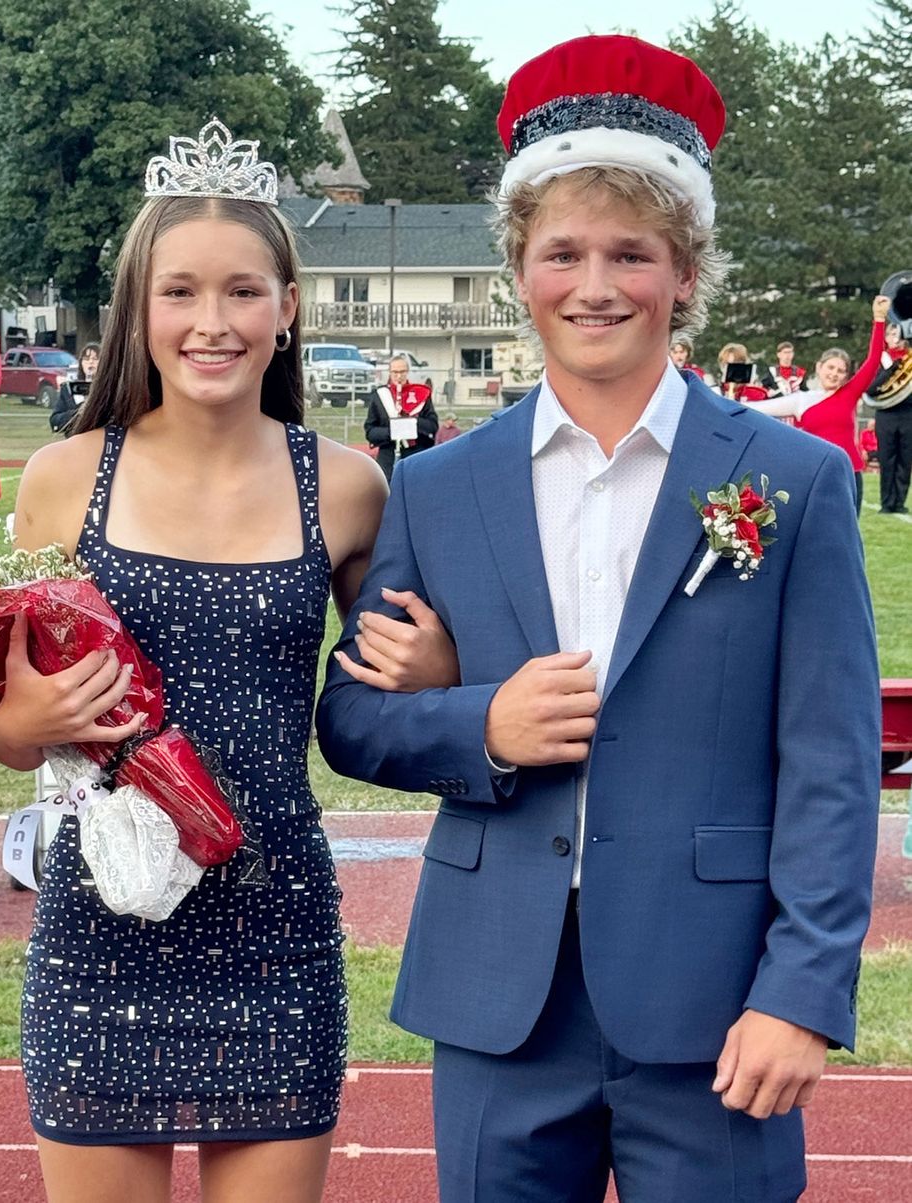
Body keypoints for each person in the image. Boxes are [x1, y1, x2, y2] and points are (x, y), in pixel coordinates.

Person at [317, 35, 879, 1203]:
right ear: (520, 270)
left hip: (717, 999)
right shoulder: (436, 485)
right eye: (562, 252)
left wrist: (802, 992)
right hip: (497, 998)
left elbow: (830, 760)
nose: (595, 284)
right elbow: (355, 719)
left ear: (685, 273)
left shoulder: (792, 479)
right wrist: (480, 722)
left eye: (633, 252)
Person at [0, 119, 443, 1203]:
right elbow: (2, 732)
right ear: (138, 313)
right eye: (179, 292)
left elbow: (397, 687)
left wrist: (433, 668)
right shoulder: (61, 478)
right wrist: (29, 722)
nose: (211, 322)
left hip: (274, 927)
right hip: (103, 926)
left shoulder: (350, 484)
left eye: (243, 292)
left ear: (287, 310)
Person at [738, 298, 888, 515]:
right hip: (814, 473)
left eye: (840, 370)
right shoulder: (801, 400)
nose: (834, 373)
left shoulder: (849, 394)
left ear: (846, 376)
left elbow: (873, 360)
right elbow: (759, 408)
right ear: (819, 367)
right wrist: (729, 400)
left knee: (847, 535)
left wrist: (879, 319)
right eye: (830, 367)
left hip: (849, 474)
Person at [363, 355, 438, 483]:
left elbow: (433, 426)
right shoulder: (379, 396)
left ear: (407, 372)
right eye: (395, 372)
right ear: (390, 373)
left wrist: (412, 423)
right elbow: (370, 431)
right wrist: (392, 432)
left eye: (402, 372)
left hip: (416, 454)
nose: (399, 376)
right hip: (388, 455)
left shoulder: (421, 394)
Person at [870, 324, 912, 513]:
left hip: (908, 414)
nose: (895, 337)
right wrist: (889, 370)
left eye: (898, 333)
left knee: (905, 460)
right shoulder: (880, 359)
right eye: (891, 334)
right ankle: (886, 502)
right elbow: (870, 388)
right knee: (887, 459)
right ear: (885, 338)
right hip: (886, 414)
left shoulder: (909, 359)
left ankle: (900, 502)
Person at [49, 342, 100, 436]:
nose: (90, 362)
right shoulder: (68, 388)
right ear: (81, 363)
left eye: (95, 359)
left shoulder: (110, 390)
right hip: (75, 441)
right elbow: (55, 421)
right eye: (86, 359)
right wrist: (77, 414)